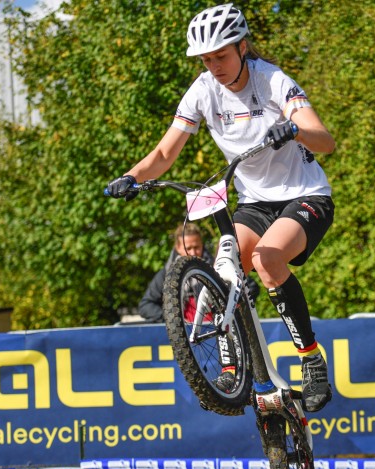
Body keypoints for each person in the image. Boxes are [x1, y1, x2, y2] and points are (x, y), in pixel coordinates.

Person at [107, 3, 335, 412]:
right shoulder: (202, 91)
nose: (215, 66)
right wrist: (131, 177)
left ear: (243, 47)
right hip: (254, 202)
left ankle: (311, 361)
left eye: (221, 56)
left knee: (265, 260)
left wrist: (296, 129)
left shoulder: (272, 81)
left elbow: (325, 139)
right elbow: (164, 152)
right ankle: (234, 366)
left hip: (305, 195)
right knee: (224, 270)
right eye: (207, 59)